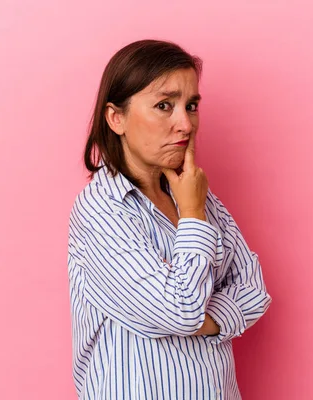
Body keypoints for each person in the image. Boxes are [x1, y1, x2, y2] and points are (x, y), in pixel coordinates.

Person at [67, 39, 272, 400]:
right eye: (164, 105)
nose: (186, 124)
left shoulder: (193, 191)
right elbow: (180, 311)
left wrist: (206, 323)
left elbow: (254, 291)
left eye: (191, 106)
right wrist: (193, 215)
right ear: (116, 118)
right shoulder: (101, 210)